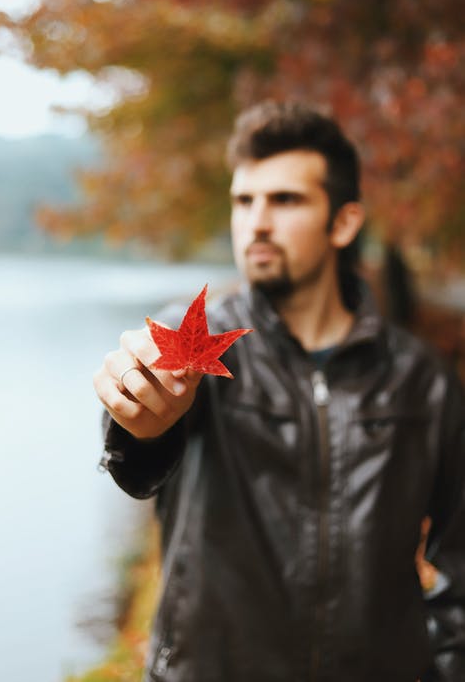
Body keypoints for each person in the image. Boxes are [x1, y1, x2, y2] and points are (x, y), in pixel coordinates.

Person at [93, 100, 465, 682]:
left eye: (285, 200)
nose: (256, 222)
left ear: (342, 223)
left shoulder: (421, 380)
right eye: (244, 201)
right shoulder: (197, 345)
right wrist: (140, 422)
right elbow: (141, 454)